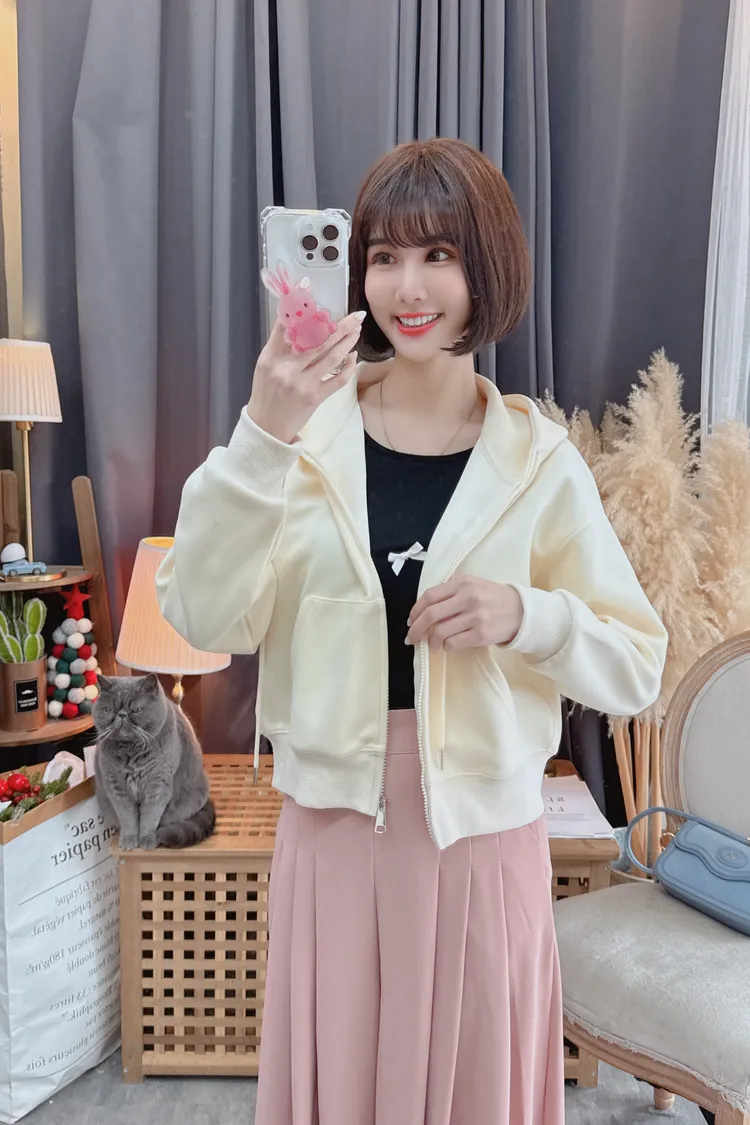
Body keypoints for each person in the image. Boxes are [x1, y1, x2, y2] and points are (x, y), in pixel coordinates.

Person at [156, 137, 668, 1125]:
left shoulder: (538, 461)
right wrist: (261, 432)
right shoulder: (300, 439)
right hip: (333, 832)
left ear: (487, 269)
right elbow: (205, 615)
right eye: (385, 256)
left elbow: (637, 666)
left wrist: (527, 615)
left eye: (440, 254)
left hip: (481, 841)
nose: (409, 286)